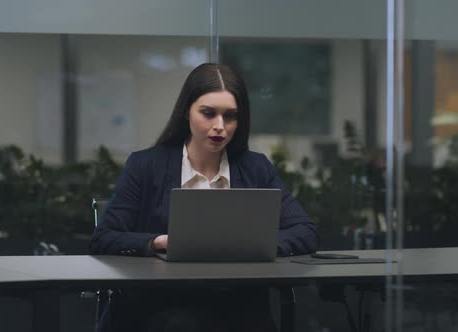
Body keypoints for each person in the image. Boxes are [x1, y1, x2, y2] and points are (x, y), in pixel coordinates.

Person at [90, 63, 319, 331]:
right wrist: (158, 242)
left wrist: (257, 244)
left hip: (237, 302)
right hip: (161, 302)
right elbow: (104, 237)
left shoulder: (255, 167)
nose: (219, 126)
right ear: (186, 112)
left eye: (230, 116)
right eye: (208, 114)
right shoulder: (146, 165)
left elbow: (306, 231)